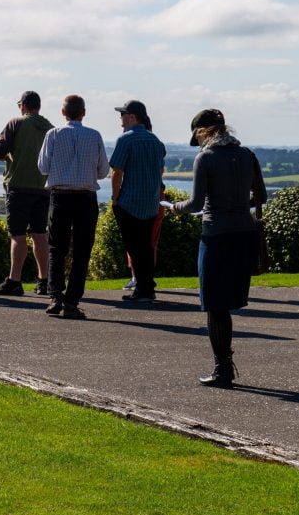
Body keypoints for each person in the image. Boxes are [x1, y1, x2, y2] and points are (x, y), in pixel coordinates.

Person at [172, 109, 267, 388]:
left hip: (216, 236)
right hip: (245, 233)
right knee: (227, 303)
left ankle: (222, 369)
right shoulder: (247, 155)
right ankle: (223, 366)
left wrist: (174, 208)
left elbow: (197, 204)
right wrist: (237, 204)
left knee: (214, 305)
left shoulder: (206, 158)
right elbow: (259, 196)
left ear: (203, 132)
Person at [36, 94, 109, 320]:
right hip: (86, 197)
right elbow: (103, 171)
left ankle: (55, 296)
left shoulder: (53, 134)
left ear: (63, 112)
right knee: (82, 251)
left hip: (60, 196)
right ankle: (72, 300)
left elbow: (43, 167)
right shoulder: (94, 135)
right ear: (83, 112)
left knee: (57, 248)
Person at [0, 91, 53, 296]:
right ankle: (44, 281)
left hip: (18, 185)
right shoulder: (50, 128)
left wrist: (11, 157)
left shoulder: (16, 123)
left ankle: (14, 281)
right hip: (43, 187)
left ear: (23, 106)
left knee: (17, 235)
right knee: (40, 234)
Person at [109, 100, 167, 303]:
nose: (120, 119)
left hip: (129, 202)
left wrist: (115, 198)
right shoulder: (156, 141)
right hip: (151, 203)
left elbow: (116, 173)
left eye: (123, 115)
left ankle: (143, 289)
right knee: (146, 246)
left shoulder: (125, 140)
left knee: (134, 247)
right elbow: (160, 171)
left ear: (132, 117)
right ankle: (147, 288)